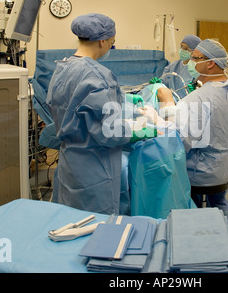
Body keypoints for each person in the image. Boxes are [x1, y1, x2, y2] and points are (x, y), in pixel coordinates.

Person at [46, 13, 155, 214]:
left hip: (70, 161)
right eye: (113, 43)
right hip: (95, 168)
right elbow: (111, 132)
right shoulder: (98, 75)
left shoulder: (62, 67)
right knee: (95, 226)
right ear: (103, 41)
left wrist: (122, 98)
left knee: (69, 219)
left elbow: (75, 103)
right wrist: (141, 130)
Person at [142, 39, 228, 214]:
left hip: (201, 173)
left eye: (195, 58)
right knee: (218, 203)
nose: (190, 63)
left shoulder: (198, 98)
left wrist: (161, 111)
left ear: (210, 63)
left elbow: (177, 140)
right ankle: (224, 227)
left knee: (190, 205)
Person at [161, 35, 201, 99]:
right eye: (181, 47)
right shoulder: (173, 66)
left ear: (194, 51)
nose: (182, 50)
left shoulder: (197, 68)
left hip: (190, 103)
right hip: (173, 103)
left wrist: (196, 90)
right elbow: (163, 83)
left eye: (186, 49)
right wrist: (157, 84)